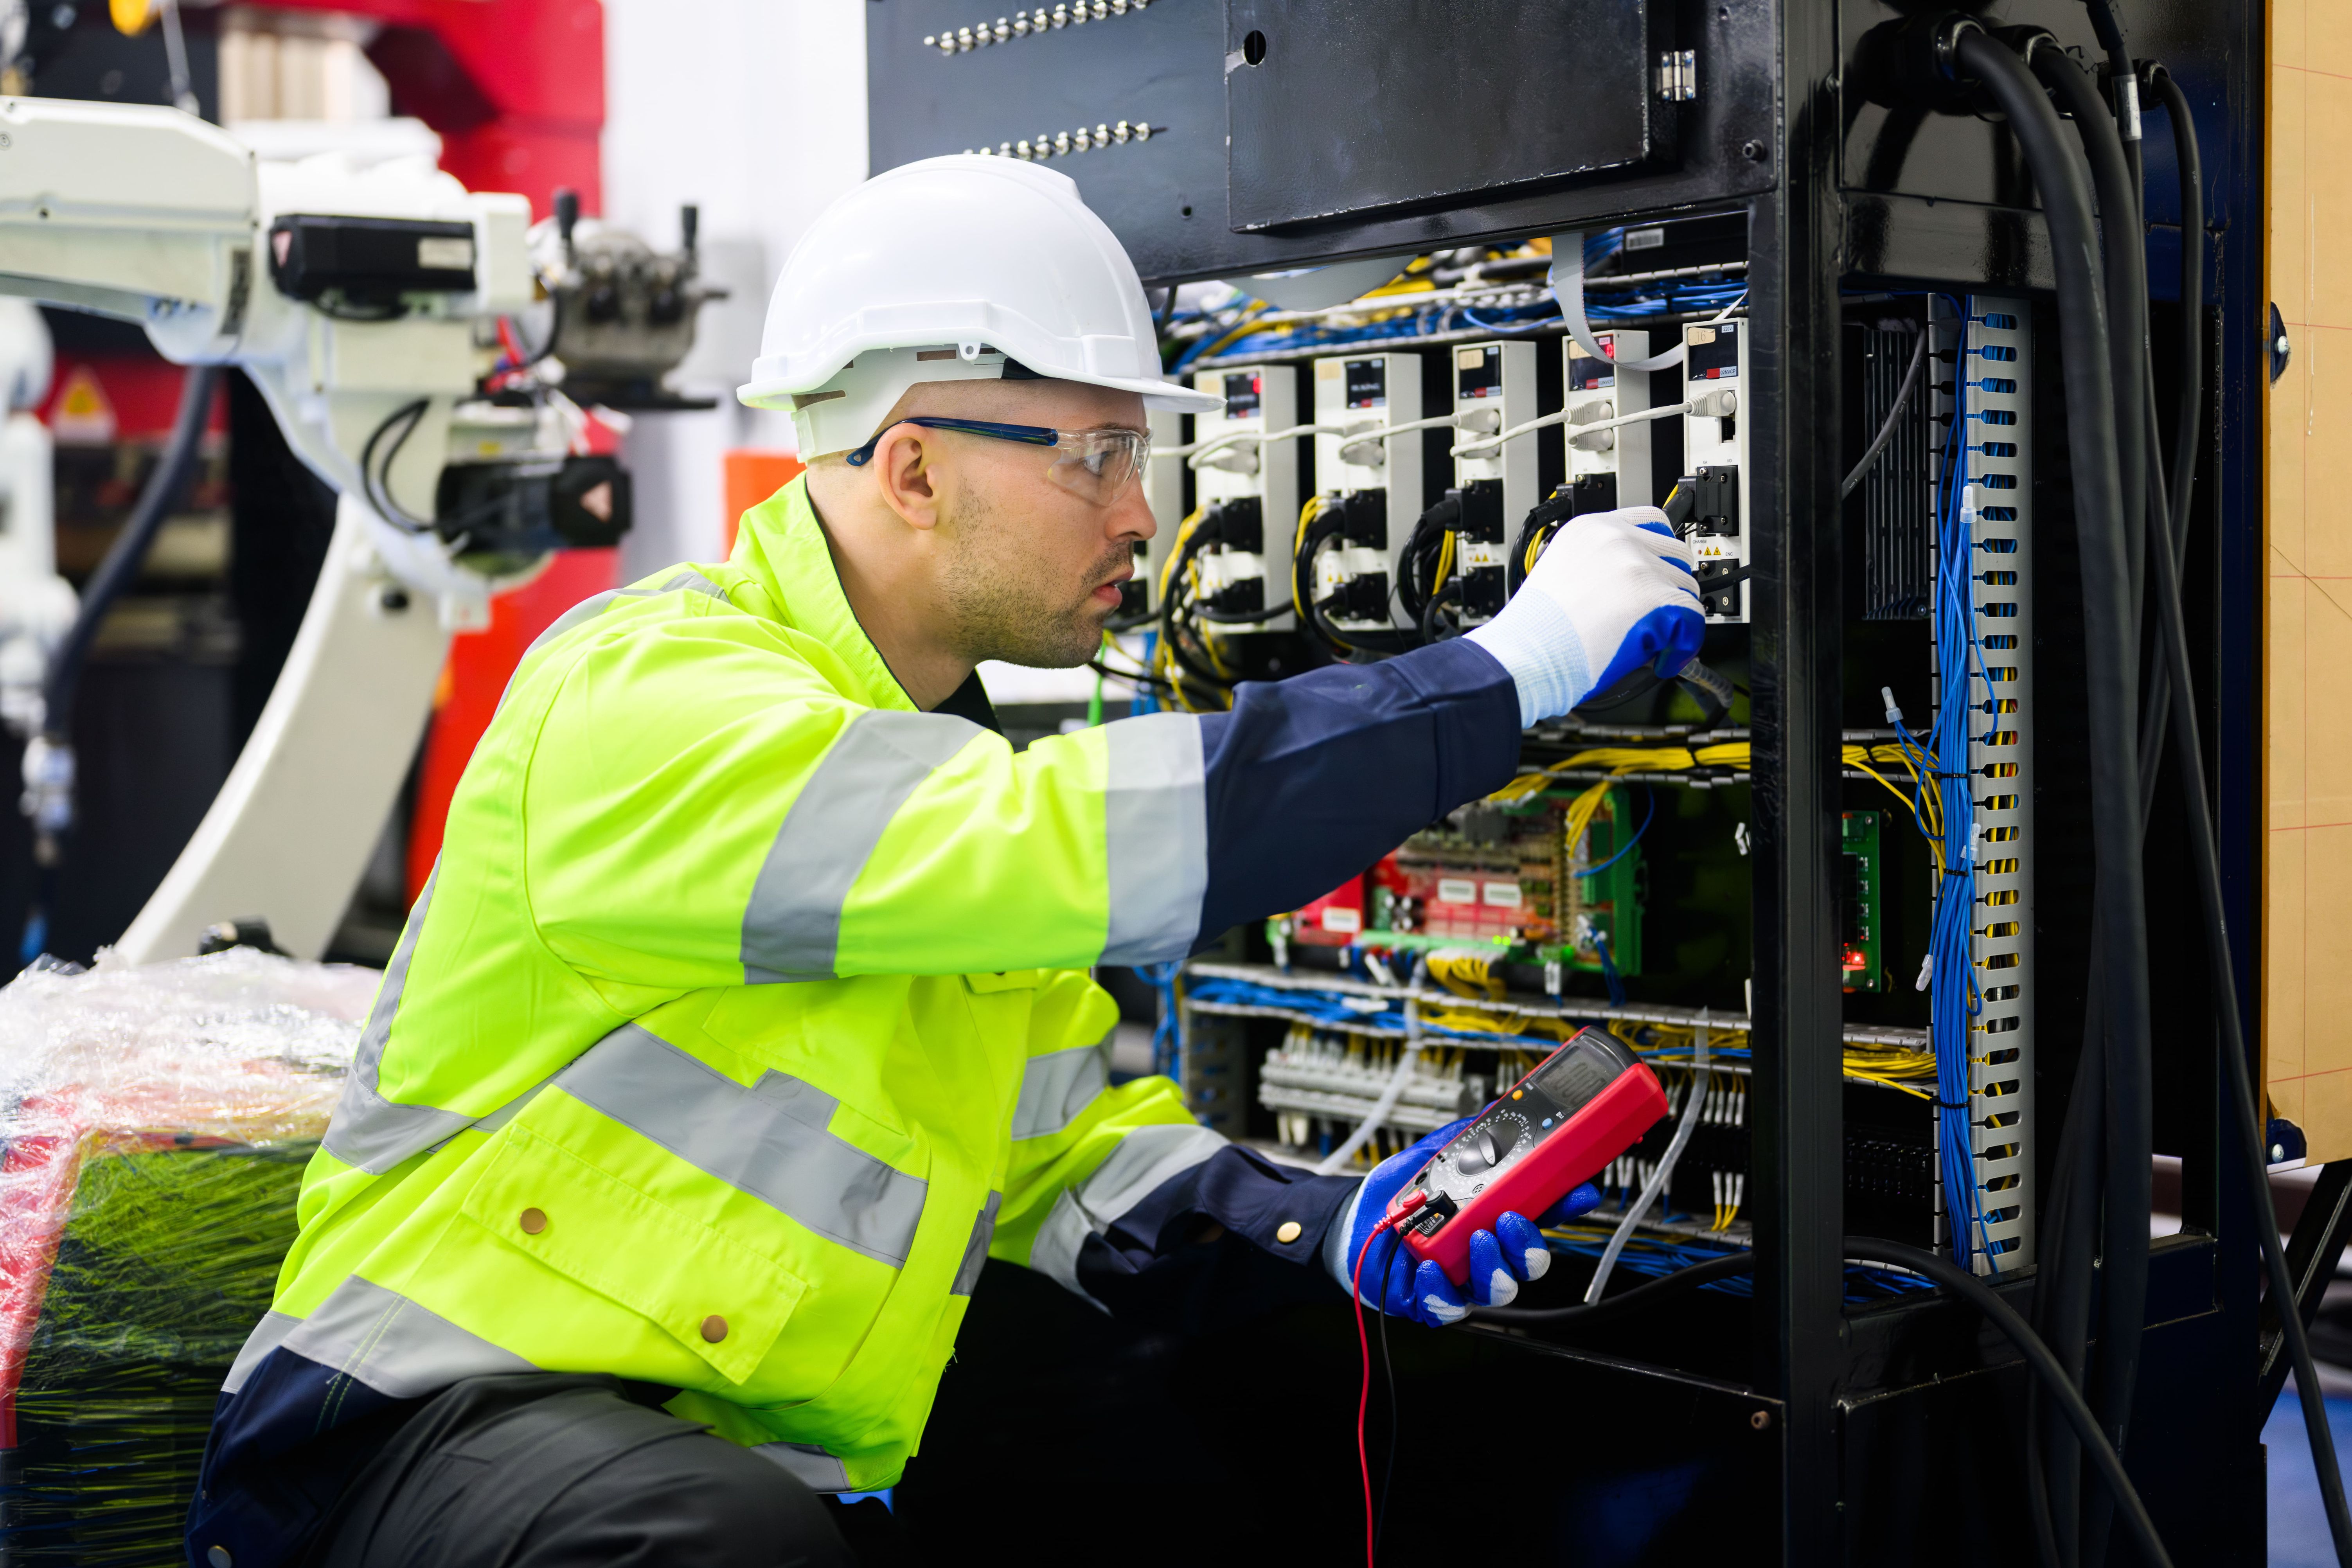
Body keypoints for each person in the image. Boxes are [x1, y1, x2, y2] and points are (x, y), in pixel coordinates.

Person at [185, 155, 1703, 1568]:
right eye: (1098, 456)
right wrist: (1505, 674)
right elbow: (1054, 844)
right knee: (716, 1545)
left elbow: (1063, 1151)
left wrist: (1330, 1224)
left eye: (1144, 452)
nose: (1141, 513)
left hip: (716, 1440)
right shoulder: (649, 696)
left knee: (1161, 1436)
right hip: (404, 1434)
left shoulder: (937, 765)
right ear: (911, 470)